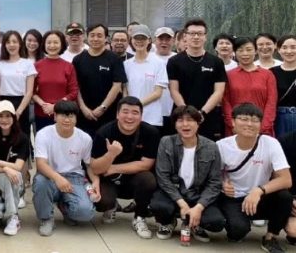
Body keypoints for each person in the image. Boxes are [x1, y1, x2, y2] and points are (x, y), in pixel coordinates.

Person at [217, 103, 292, 252]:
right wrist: (222, 184)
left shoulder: (271, 143)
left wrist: (258, 190)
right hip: (234, 197)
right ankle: (237, 224)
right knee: (237, 232)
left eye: (255, 120)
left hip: (259, 197)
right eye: (244, 119)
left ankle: (271, 237)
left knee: (284, 197)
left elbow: (286, 179)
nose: (249, 124)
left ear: (260, 124)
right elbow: (212, 176)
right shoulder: (222, 145)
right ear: (233, 122)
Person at [151, 105, 225, 242]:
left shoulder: (211, 147)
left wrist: (199, 207)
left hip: (197, 194)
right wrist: (182, 203)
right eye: (180, 120)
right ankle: (168, 222)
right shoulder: (166, 142)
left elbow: (215, 182)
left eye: (190, 120)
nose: (185, 124)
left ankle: (194, 224)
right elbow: (163, 178)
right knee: (159, 207)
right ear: (175, 124)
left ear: (198, 123)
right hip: (174, 192)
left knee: (216, 222)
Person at [90, 96, 160, 239]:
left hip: (134, 179)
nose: (129, 117)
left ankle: (139, 217)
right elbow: (95, 168)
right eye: (125, 112)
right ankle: (112, 206)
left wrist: (114, 168)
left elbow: (146, 164)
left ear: (141, 116)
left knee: (148, 179)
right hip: (109, 180)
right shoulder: (104, 132)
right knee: (101, 201)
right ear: (117, 114)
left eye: (135, 113)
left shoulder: (150, 133)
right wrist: (110, 154)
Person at [32, 100, 100, 236]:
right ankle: (46, 219)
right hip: (49, 176)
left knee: (86, 213)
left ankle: (65, 207)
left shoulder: (85, 138)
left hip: (74, 178)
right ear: (55, 116)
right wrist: (58, 178)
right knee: (40, 182)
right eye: (63, 115)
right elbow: (41, 164)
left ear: (76, 118)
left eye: (71, 116)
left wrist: (96, 181)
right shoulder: (43, 134)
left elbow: (88, 164)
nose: (67, 120)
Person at [167, 18, 227, 141]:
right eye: (192, 33)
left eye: (200, 34)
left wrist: (202, 113)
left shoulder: (216, 62)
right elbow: (174, 90)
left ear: (205, 37)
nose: (196, 37)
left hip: (208, 116)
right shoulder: (174, 61)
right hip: (181, 116)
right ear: (185, 36)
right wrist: (187, 113)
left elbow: (219, 92)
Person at [0, 100, 30, 236]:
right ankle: (4, 212)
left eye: (8, 116)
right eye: (0, 116)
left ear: (14, 117)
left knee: (7, 176)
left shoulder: (22, 138)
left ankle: (13, 217)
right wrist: (6, 168)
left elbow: (18, 167)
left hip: (14, 181)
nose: (4, 119)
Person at [73, 24, 127, 136]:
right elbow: (75, 86)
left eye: (99, 35)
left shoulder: (114, 59)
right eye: (92, 35)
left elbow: (117, 86)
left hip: (109, 113)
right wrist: (83, 107)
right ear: (87, 37)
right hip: (84, 114)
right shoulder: (78, 59)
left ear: (106, 38)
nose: (95, 39)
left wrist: (103, 107)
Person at [223, 37, 278, 136]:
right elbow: (225, 102)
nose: (245, 54)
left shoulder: (267, 75)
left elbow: (271, 103)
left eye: (249, 50)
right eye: (240, 50)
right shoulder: (228, 75)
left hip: (262, 128)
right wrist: (232, 124)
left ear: (256, 51)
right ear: (234, 52)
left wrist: (262, 127)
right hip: (235, 129)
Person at [0, 30, 36, 141]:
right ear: (4, 45)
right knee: (1, 137)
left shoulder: (27, 63)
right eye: (8, 42)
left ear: (20, 44)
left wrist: (19, 111)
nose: (11, 45)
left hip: (21, 103)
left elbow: (29, 92)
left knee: (21, 137)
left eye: (14, 42)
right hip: (2, 102)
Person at [122, 25, 168, 130]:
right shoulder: (126, 64)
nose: (139, 41)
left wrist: (136, 106)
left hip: (152, 118)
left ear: (149, 40)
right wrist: (128, 108)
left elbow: (157, 93)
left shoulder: (158, 63)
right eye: (136, 38)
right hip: (130, 118)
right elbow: (125, 90)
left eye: (143, 38)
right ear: (131, 40)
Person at [32, 30, 78, 132]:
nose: (52, 45)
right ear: (44, 44)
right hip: (42, 113)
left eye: (56, 42)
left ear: (62, 44)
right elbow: (31, 91)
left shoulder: (68, 66)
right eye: (49, 42)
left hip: (64, 114)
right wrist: (43, 105)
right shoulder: (36, 66)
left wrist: (55, 106)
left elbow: (74, 92)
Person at [153, 27, 177, 135]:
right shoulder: (148, 58)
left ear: (173, 41)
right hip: (152, 112)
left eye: (167, 39)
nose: (164, 42)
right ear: (155, 40)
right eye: (160, 39)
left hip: (173, 111)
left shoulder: (178, 59)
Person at [273, 34, 296, 137]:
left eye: (293, 47)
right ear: (278, 50)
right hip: (279, 118)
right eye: (284, 47)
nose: (289, 51)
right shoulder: (272, 72)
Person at [276, 129, 296, 244]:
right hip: (292, 194)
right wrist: (292, 200)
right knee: (294, 231)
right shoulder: (285, 141)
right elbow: (278, 177)